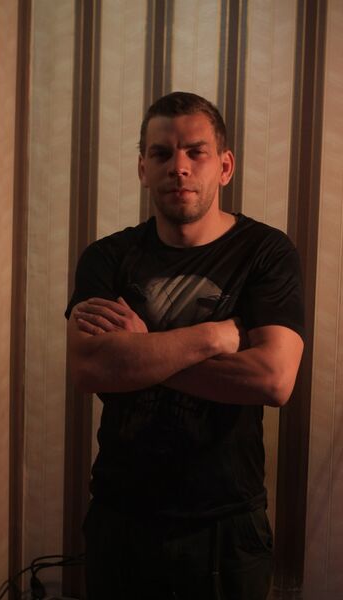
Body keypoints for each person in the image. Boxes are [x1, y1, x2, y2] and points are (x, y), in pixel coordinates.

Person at [65, 91, 304, 600]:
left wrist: (141, 352)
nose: (179, 167)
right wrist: (214, 337)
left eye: (196, 152)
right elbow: (88, 369)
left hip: (227, 526)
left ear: (225, 166)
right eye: (161, 154)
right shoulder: (107, 258)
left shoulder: (266, 253)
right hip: (121, 519)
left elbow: (273, 380)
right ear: (143, 168)